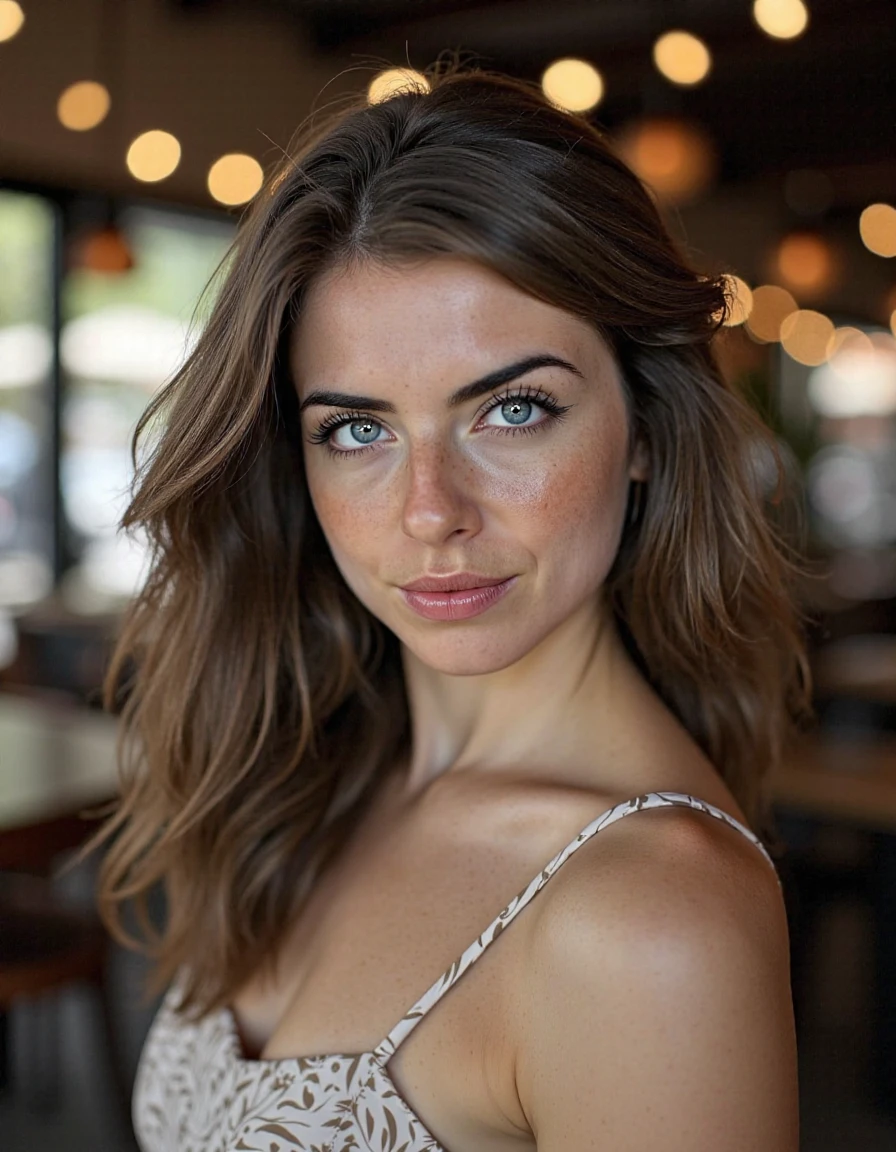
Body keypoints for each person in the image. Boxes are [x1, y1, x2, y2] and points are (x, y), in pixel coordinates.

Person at [86, 61, 810, 1152]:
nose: (430, 513)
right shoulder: (310, 776)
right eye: (357, 430)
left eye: (512, 410)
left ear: (646, 432)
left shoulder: (650, 922)